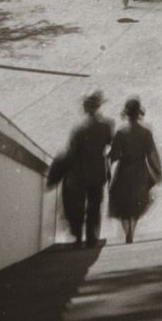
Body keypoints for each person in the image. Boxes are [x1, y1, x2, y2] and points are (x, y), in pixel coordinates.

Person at [52, 90, 114, 247]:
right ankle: (92, 238)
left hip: (79, 172)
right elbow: (110, 147)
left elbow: (72, 151)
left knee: (77, 206)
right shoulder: (107, 126)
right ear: (99, 107)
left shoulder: (78, 128)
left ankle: (78, 237)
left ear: (85, 108)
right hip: (98, 171)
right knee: (95, 205)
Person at [107, 97, 162, 244]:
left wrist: (108, 162)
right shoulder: (145, 133)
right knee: (138, 201)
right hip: (140, 170)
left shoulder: (121, 133)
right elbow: (152, 154)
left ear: (126, 113)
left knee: (123, 202)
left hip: (124, 170)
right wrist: (157, 171)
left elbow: (114, 154)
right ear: (138, 113)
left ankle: (128, 232)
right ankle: (133, 228)